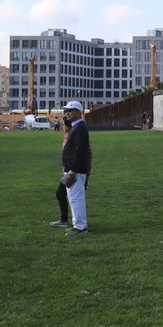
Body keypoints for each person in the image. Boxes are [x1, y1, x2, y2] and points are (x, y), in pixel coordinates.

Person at [49, 116, 91, 229]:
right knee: (65, 194)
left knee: (70, 196)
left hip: (76, 171)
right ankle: (70, 220)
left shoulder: (76, 134)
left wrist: (86, 173)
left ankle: (75, 223)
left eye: (63, 124)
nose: (62, 126)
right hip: (68, 170)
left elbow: (85, 153)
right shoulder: (67, 136)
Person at [58, 100, 91, 235]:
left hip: (75, 171)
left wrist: (72, 170)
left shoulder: (80, 128)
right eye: (66, 111)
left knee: (76, 198)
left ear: (79, 112)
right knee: (73, 198)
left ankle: (80, 227)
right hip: (73, 169)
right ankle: (77, 224)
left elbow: (80, 151)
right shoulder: (77, 127)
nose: (67, 113)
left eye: (70, 110)